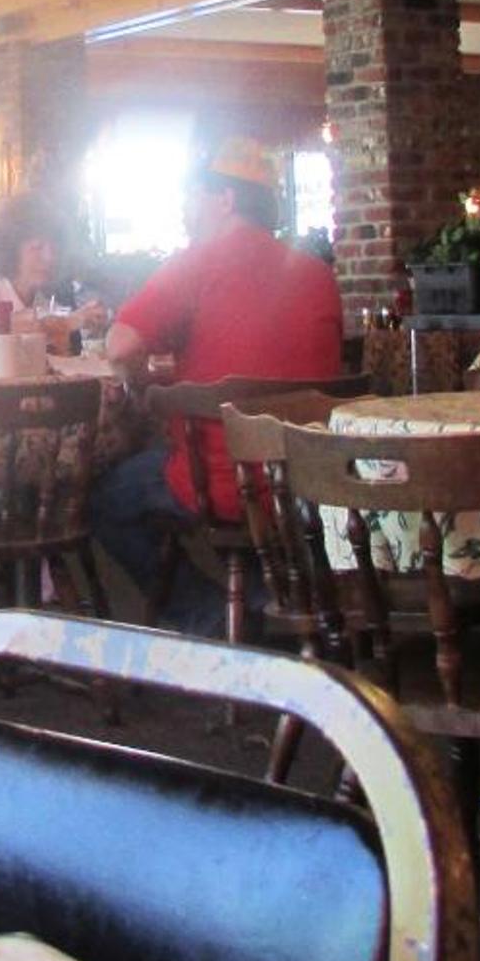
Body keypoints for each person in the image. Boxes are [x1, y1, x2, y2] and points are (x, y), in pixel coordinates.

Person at [95, 137, 343, 636]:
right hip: (309, 482)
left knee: (103, 500)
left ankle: (207, 613)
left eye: (192, 195)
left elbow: (119, 346)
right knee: (251, 502)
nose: (185, 210)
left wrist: (146, 384)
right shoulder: (318, 274)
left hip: (223, 482)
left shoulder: (200, 260)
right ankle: (262, 595)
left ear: (225, 198)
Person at [0, 192, 107, 372]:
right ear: (10, 250)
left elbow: (61, 370)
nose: (49, 257)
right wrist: (62, 324)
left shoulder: (48, 304)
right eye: (37, 247)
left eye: (54, 249)